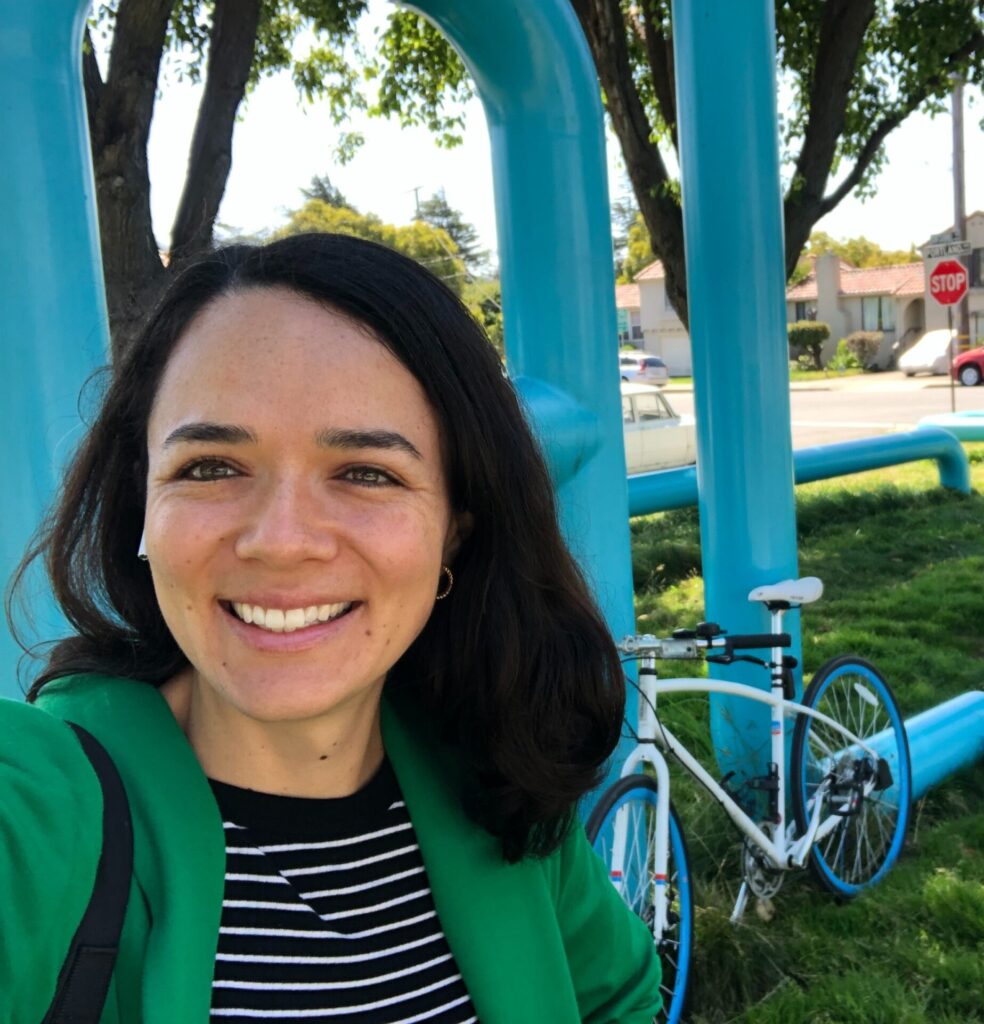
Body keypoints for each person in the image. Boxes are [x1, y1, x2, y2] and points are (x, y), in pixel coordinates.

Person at [2, 233, 661, 1022]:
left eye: (366, 473)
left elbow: (617, 997)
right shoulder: (39, 811)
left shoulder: (494, 770)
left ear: (454, 528)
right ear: (143, 502)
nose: (280, 540)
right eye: (210, 466)